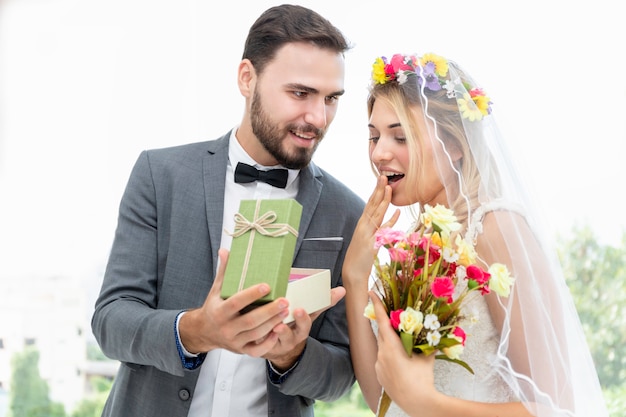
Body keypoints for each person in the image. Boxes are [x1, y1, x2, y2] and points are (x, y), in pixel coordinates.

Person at [91, 5, 364, 417]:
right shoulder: (159, 174)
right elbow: (111, 322)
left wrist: (293, 356)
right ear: (247, 78)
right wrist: (197, 330)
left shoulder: (347, 211)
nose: (318, 117)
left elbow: (342, 374)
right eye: (300, 93)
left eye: (331, 99)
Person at [342, 52, 608, 417]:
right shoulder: (416, 244)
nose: (379, 153)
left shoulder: (497, 228)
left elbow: (554, 407)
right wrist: (355, 277)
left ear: (455, 145)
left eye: (400, 137)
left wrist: (428, 404)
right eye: (374, 137)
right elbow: (384, 404)